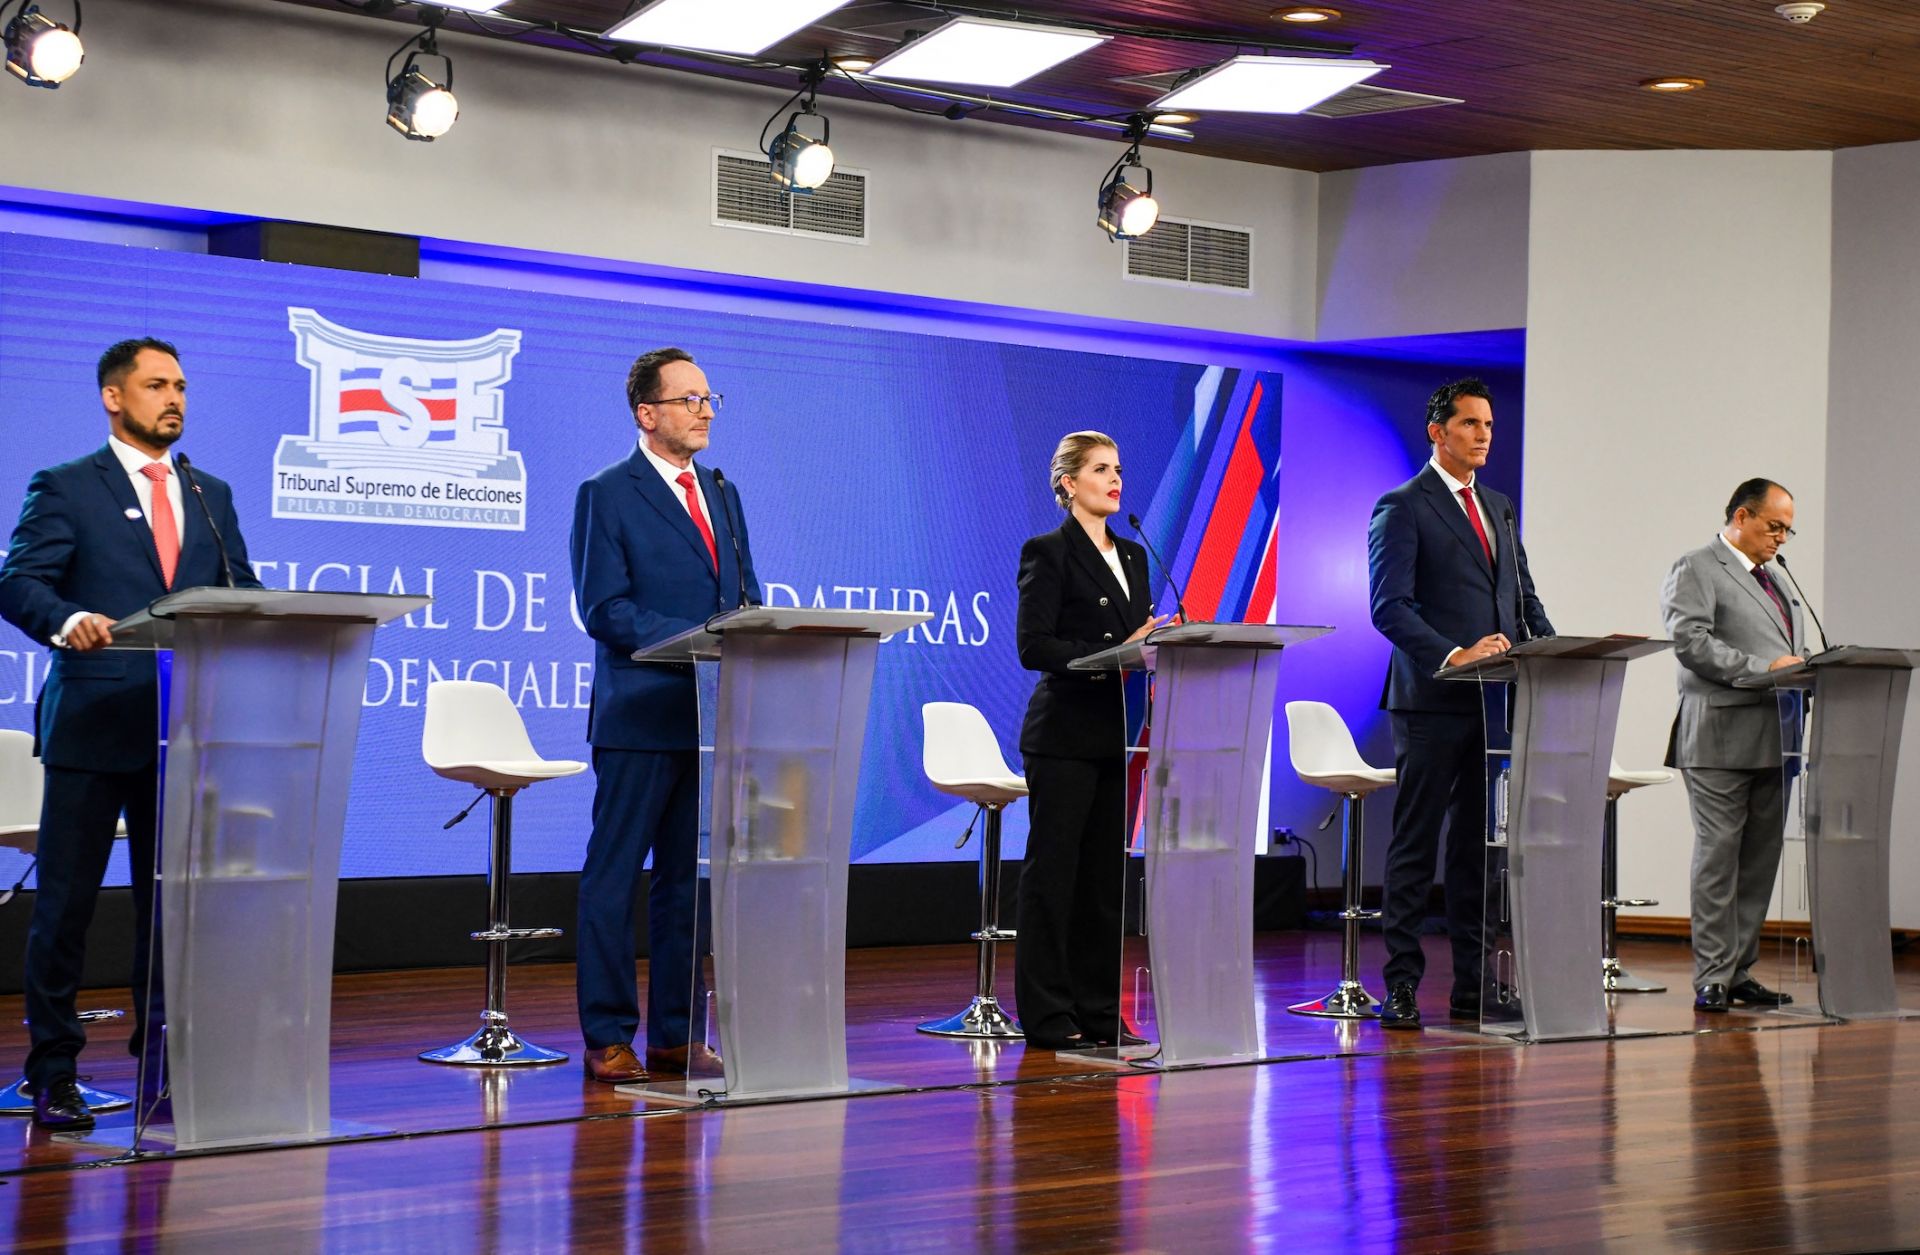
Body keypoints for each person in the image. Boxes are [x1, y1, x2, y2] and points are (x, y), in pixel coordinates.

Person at [0, 337, 260, 1128]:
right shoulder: (69, 485)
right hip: (93, 722)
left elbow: (239, 590)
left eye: (180, 385)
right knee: (68, 906)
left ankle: (164, 1067)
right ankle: (53, 1073)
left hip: (183, 724)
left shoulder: (209, 492)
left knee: (171, 910)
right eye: (156, 385)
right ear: (115, 397)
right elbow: (18, 580)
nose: (173, 397)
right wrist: (68, 617)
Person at [570, 346, 758, 1084]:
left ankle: (677, 1035)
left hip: (709, 722)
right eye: (688, 398)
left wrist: (747, 634)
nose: (705, 409)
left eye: (709, 397)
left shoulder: (722, 490)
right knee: (614, 878)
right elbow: (604, 607)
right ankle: (608, 1033)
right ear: (647, 413)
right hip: (641, 714)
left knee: (689, 881)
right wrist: (694, 642)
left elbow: (743, 591)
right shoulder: (606, 492)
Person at [1366, 378, 1553, 1030]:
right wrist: (1455, 654)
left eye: (1490, 425)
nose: (1483, 435)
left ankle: (1475, 987)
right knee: (1416, 846)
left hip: (1491, 708)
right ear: (1437, 431)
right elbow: (1389, 607)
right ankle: (1400, 987)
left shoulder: (1499, 506)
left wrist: (1557, 655)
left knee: (1478, 850)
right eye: (1470, 423)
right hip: (1430, 701)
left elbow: (1522, 599)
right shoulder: (1403, 505)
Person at [1013, 431, 1169, 1051]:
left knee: (1106, 882)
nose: (1115, 479)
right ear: (1068, 484)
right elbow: (1035, 646)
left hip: (1122, 737)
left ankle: (1103, 1014)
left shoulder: (1133, 555)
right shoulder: (1046, 551)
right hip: (1064, 735)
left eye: (1119, 468)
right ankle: (1050, 1017)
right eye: (1101, 469)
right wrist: (1116, 653)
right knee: (1054, 880)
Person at [1659, 478, 1804, 1013]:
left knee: (1760, 860)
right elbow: (1690, 643)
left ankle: (1741, 970)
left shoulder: (1779, 581)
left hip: (1779, 738)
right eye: (1774, 526)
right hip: (1719, 737)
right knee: (1719, 859)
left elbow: (1791, 654)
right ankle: (1713, 976)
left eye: (1788, 529)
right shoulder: (1697, 567)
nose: (1781, 538)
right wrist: (1763, 671)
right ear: (1742, 516)